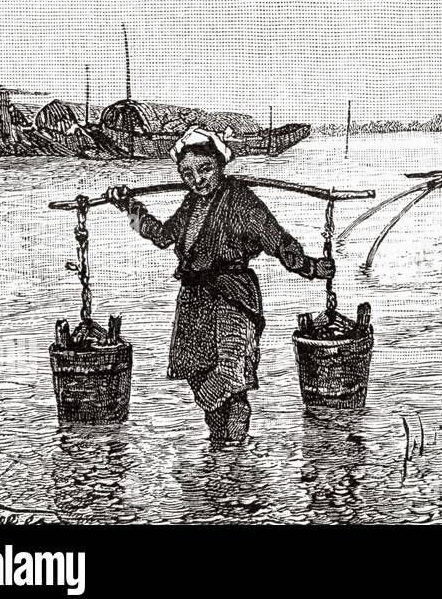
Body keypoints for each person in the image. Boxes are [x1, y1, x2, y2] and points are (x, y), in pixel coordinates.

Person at [105, 127, 333, 446]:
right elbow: (163, 236)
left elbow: (277, 240)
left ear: (220, 164)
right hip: (195, 300)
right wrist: (129, 206)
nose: (197, 179)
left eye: (205, 169)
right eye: (188, 173)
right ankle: (219, 449)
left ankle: (234, 453)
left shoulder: (240, 201)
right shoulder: (190, 204)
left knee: (229, 375)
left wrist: (310, 267)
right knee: (198, 372)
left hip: (233, 297)